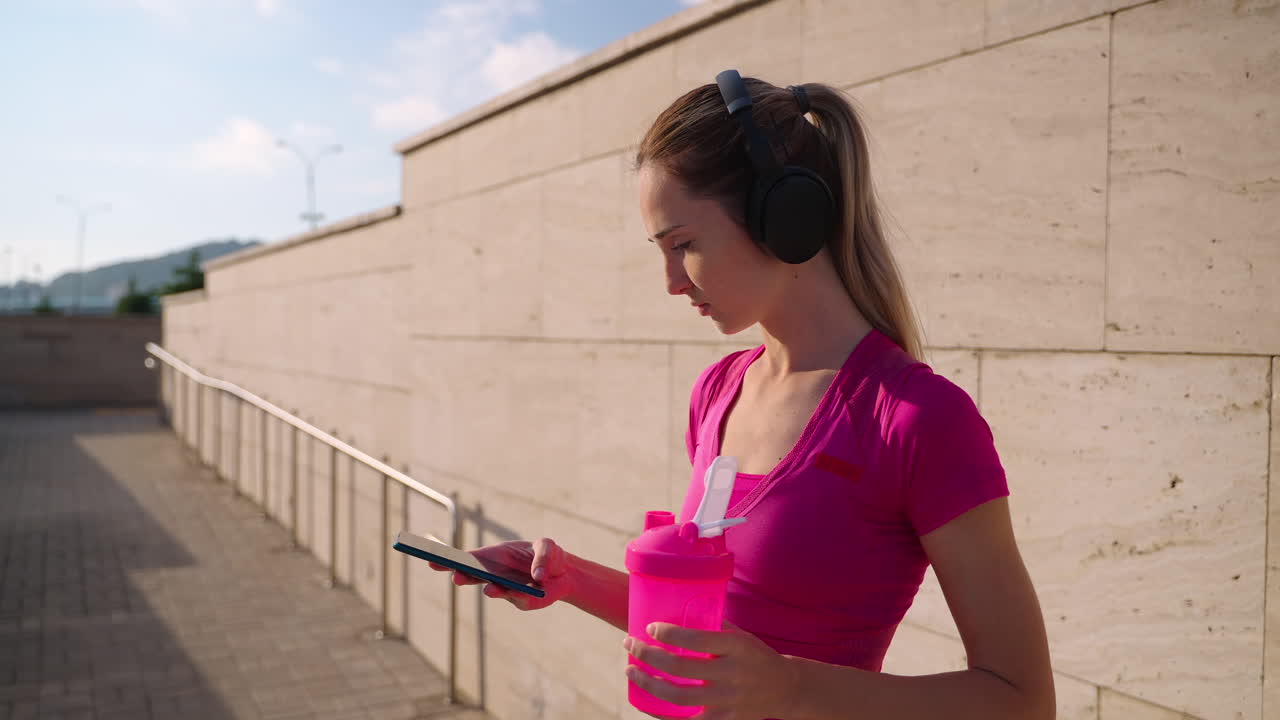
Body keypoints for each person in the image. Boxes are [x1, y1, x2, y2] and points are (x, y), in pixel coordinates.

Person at [428, 71, 1055, 720]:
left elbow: (1023, 701)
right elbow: (712, 627)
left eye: (685, 245)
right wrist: (567, 577)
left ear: (786, 218)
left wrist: (787, 689)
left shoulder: (918, 420)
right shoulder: (718, 392)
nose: (672, 282)